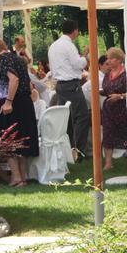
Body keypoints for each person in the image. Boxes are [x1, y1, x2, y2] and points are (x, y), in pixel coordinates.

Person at [0, 37, 39, 187]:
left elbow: (14, 79)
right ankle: (22, 177)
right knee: (21, 141)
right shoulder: (18, 59)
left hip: (12, 102)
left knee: (8, 141)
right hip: (24, 102)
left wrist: (8, 102)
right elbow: (28, 84)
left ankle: (16, 178)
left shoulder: (3, 59)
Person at [48, 20, 90, 158]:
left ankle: (68, 149)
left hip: (60, 85)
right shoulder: (68, 45)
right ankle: (78, 151)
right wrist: (85, 56)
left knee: (68, 118)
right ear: (75, 31)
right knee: (82, 116)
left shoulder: (53, 46)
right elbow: (78, 64)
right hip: (71, 85)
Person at [100, 48, 127, 172]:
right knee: (108, 133)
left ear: (119, 59)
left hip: (123, 108)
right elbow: (107, 89)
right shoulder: (108, 74)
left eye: (111, 58)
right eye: (107, 58)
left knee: (126, 133)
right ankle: (108, 163)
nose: (108, 61)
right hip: (109, 109)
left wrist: (119, 96)